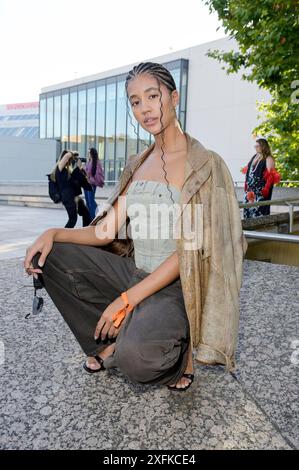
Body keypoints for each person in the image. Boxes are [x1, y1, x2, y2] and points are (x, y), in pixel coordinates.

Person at [24, 62, 246, 392]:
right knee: (51, 256)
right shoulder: (137, 163)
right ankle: (106, 341)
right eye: (135, 101)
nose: (144, 109)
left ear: (173, 97)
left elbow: (192, 249)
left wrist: (127, 300)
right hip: (135, 270)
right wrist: (53, 233)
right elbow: (105, 231)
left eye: (152, 96)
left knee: (137, 362)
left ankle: (181, 349)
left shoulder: (204, 164)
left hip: (177, 284)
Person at [51, 150, 93, 228]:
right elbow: (66, 156)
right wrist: (74, 153)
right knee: (73, 219)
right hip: (68, 198)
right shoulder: (59, 169)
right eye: (71, 159)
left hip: (74, 197)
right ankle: (63, 236)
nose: (71, 161)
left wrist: (80, 167)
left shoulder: (68, 171)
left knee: (86, 213)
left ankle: (86, 231)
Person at [242, 138, 281, 218]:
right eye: (255, 146)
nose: (255, 147)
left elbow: (270, 176)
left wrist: (266, 189)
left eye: (257, 146)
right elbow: (249, 172)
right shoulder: (255, 156)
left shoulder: (268, 158)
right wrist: (246, 185)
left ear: (263, 146)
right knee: (247, 212)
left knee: (259, 212)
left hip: (260, 192)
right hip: (250, 190)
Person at [83, 147, 104, 220]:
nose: (88, 154)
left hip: (91, 184)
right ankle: (94, 217)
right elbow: (87, 173)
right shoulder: (89, 161)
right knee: (88, 202)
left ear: (92, 153)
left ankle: (95, 218)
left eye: (89, 152)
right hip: (86, 184)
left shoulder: (97, 162)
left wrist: (90, 180)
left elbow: (98, 175)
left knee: (91, 201)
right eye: (88, 152)